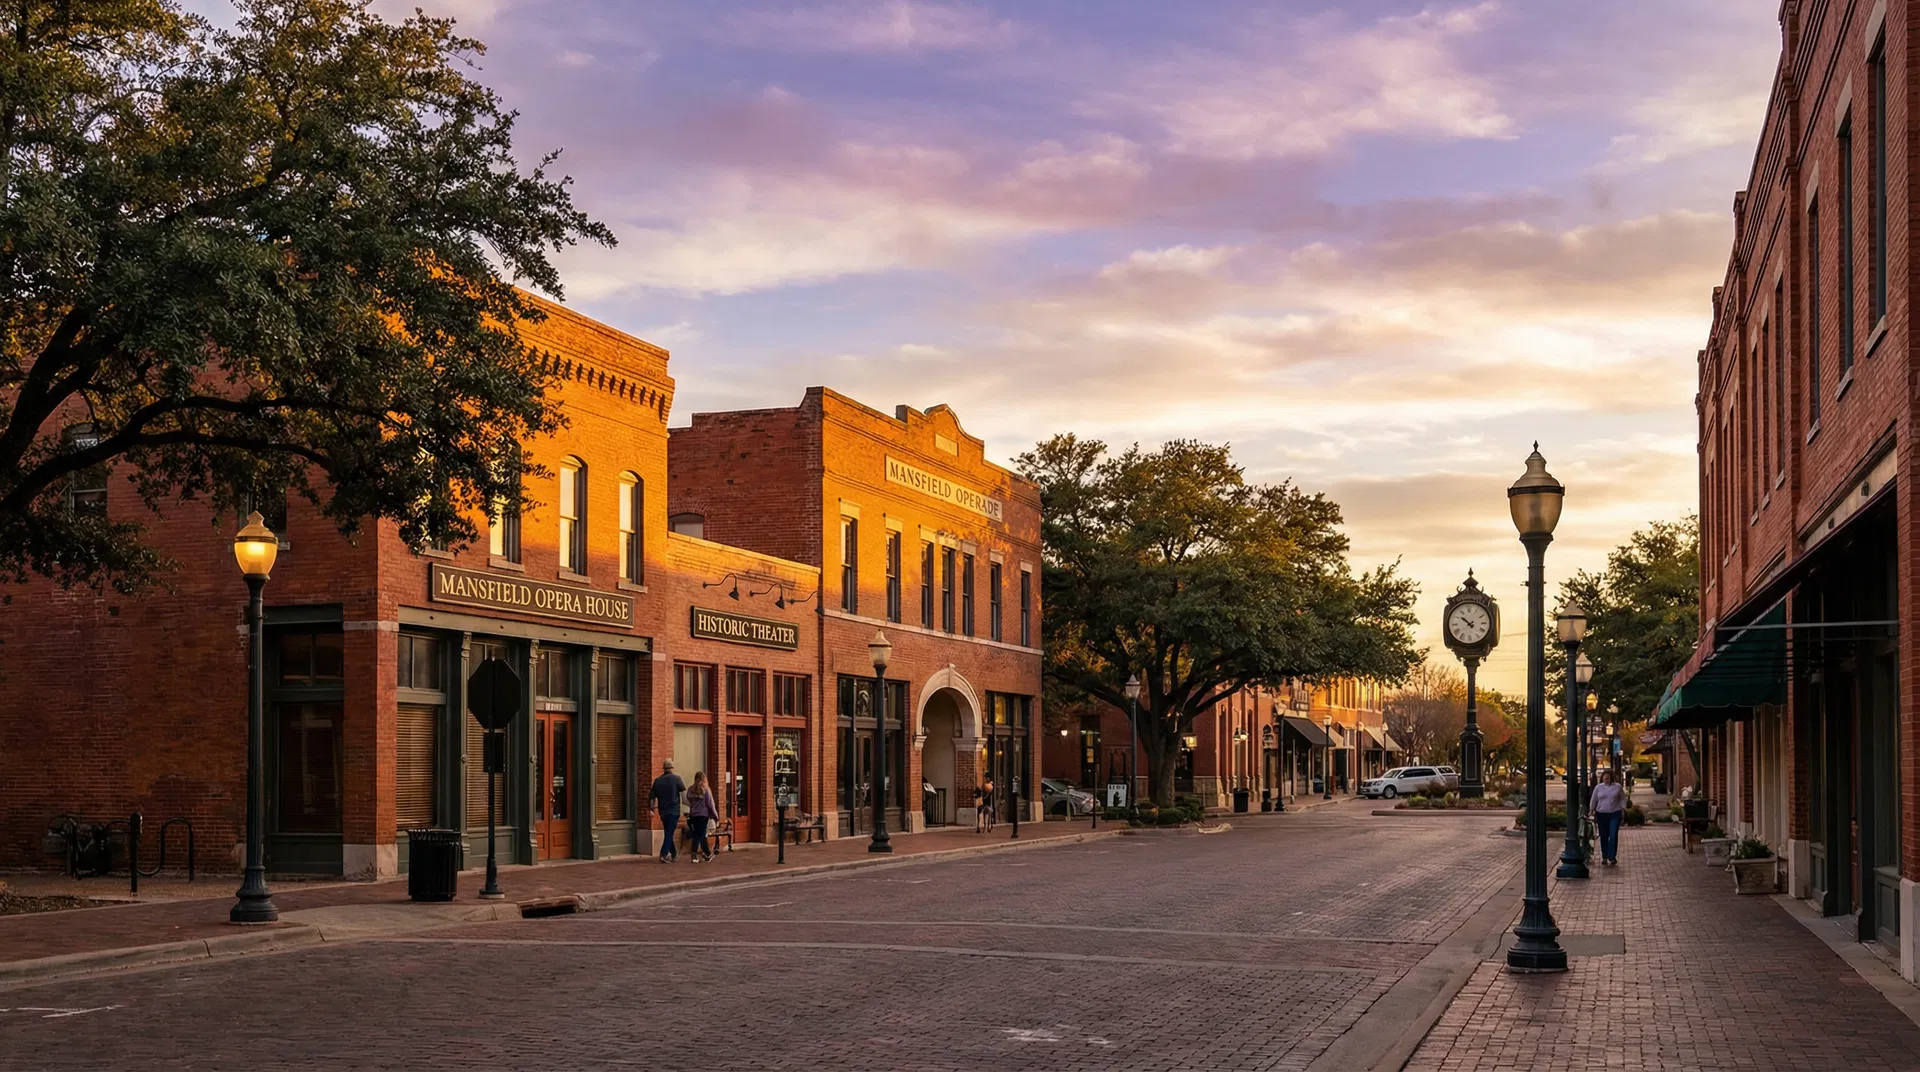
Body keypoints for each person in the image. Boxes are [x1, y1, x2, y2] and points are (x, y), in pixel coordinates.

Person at [1590, 768, 1629, 866]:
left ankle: (1612, 857)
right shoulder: (1598, 788)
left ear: (1611, 778)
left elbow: (1622, 798)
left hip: (1614, 813)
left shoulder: (1618, 787)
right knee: (1603, 836)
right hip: (1601, 813)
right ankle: (1605, 856)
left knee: (1613, 835)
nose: (1606, 780)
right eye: (1604, 778)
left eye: (1607, 778)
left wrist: (1623, 809)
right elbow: (1594, 799)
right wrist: (1591, 810)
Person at [649, 760, 686, 863]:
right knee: (669, 833)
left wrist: (651, 809)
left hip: (663, 811)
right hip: (674, 811)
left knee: (668, 832)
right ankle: (663, 854)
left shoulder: (657, 781)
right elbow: (684, 795)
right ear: (672, 768)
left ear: (664, 768)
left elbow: (652, 796)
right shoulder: (677, 779)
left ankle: (673, 853)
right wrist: (690, 806)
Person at [686, 771, 720, 863]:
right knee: (699, 835)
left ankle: (707, 854)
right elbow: (711, 805)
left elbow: (688, 800)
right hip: (703, 815)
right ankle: (694, 854)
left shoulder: (690, 789)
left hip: (693, 815)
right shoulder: (706, 790)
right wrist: (716, 817)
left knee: (700, 834)